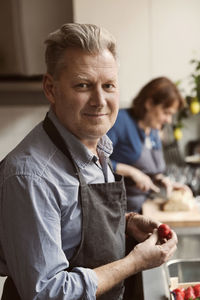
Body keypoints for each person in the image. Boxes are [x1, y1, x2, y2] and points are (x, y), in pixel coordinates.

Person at [0, 24, 177, 300]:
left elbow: (73, 226)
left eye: (108, 86)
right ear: (51, 88)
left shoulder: (98, 147)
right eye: (83, 85)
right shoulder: (30, 176)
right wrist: (134, 262)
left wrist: (126, 223)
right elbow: (47, 293)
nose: (99, 100)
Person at [107, 77, 189, 213]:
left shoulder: (154, 131)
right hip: (119, 212)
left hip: (144, 208)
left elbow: (150, 172)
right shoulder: (120, 121)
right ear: (150, 103)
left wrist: (162, 180)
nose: (168, 120)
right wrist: (131, 171)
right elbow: (94, 160)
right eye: (166, 113)